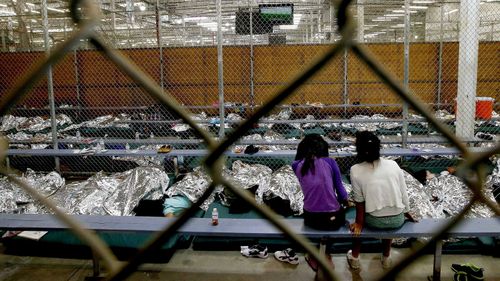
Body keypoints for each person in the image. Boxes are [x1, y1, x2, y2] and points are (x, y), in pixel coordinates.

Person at [274, 134, 348, 270]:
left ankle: (314, 255)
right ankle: (326, 254)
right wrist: (345, 202)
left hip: (312, 218)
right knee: (338, 215)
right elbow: (342, 193)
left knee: (315, 214)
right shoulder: (331, 162)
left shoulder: (296, 165)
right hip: (333, 219)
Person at [347, 131, 416, 270]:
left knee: (357, 226)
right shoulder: (393, 164)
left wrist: (359, 223)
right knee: (388, 208)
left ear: (358, 149)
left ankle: (354, 257)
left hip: (375, 221)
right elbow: (403, 193)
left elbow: (359, 202)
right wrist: (407, 213)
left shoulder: (355, 170)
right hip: (397, 220)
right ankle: (386, 257)